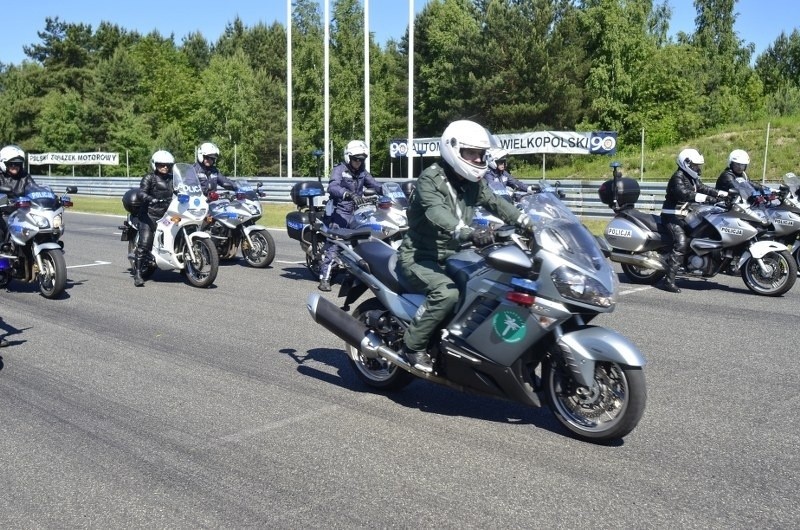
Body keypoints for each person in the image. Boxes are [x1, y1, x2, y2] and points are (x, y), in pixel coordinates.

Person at [396, 120, 535, 372]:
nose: (477, 159)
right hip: (420, 256)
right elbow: (437, 212)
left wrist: (528, 222)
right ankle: (412, 346)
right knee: (447, 294)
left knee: (495, 281)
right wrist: (467, 232)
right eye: (471, 153)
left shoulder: (473, 183)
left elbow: (496, 203)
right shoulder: (431, 179)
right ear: (453, 149)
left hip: (456, 254)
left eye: (480, 154)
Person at [318, 140, 383, 292]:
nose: (359, 162)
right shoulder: (339, 170)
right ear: (349, 157)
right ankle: (325, 278)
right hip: (339, 211)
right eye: (356, 159)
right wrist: (348, 194)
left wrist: (388, 191)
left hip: (357, 211)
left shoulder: (362, 172)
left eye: (362, 159)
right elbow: (332, 187)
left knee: (366, 238)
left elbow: (375, 184)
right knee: (336, 243)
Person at [660, 148, 728, 293]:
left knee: (705, 231)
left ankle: (696, 261)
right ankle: (668, 280)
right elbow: (684, 194)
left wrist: (721, 194)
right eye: (695, 165)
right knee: (681, 243)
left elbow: (702, 188)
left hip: (686, 214)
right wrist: (706, 198)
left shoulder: (691, 177)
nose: (698, 168)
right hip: (672, 215)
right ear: (686, 164)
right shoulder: (677, 178)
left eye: (698, 166)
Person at [132, 150, 176, 287]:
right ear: (155, 165)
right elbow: (141, 192)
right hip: (149, 215)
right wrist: (151, 199)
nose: (165, 167)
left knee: (178, 235)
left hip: (167, 214)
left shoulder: (172, 178)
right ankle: (138, 274)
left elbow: (182, 189)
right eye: (161, 164)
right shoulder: (149, 178)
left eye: (167, 165)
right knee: (145, 243)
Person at [0, 145, 38, 255]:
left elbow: (34, 188)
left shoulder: (25, 176)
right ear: (3, 163)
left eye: (18, 164)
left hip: (22, 213)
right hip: (4, 212)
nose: (15, 166)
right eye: (11, 164)